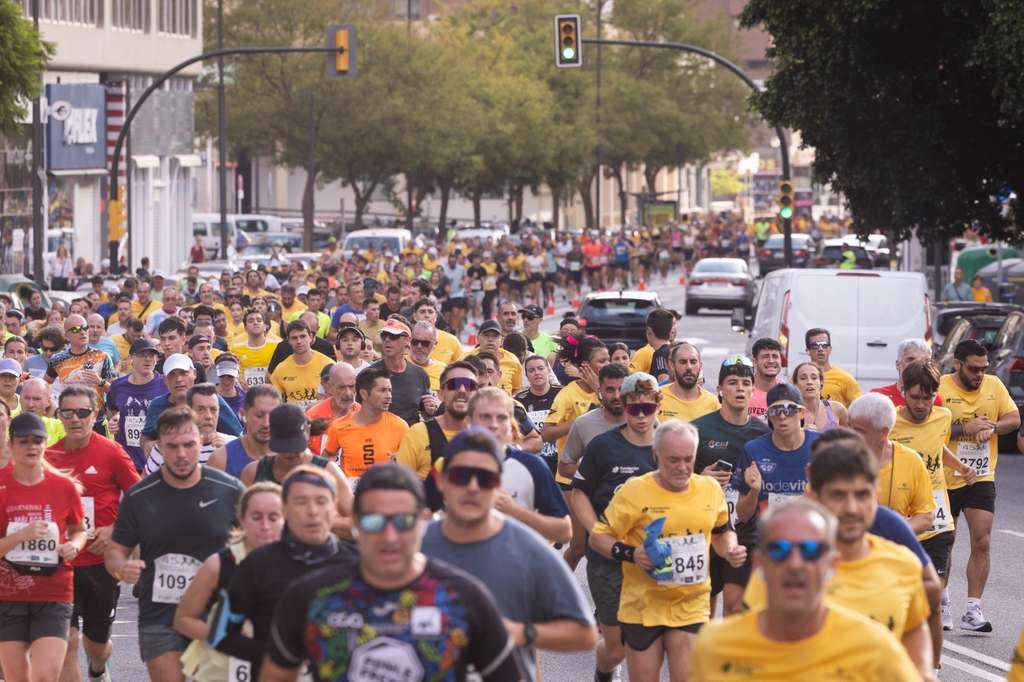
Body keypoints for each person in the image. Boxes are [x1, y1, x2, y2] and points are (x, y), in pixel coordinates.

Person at [261, 464, 523, 681]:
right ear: (355, 523)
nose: (389, 536)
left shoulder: (464, 598)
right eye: (374, 521)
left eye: (403, 521)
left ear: (422, 520)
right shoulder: (311, 597)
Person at [741, 435, 935, 678]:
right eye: (838, 495)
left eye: (862, 495)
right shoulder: (787, 567)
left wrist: (923, 671)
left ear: (876, 493)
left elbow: (914, 628)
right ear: (814, 497)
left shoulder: (903, 564)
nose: (852, 508)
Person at [422, 430, 596, 677]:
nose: (472, 487)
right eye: (461, 476)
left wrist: (520, 633)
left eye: (485, 478)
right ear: (441, 481)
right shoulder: (415, 545)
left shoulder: (527, 547)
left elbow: (584, 633)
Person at [690, 498, 919, 680]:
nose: (795, 564)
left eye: (810, 551)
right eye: (780, 550)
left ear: (832, 564)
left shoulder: (874, 647)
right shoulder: (715, 646)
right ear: (759, 562)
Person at [590, 419, 745, 682]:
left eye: (688, 459)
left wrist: (730, 548)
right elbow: (598, 538)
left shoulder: (709, 490)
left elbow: (722, 531)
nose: (682, 468)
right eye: (673, 460)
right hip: (643, 605)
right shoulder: (634, 491)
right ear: (656, 455)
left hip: (691, 603)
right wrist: (632, 554)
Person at [105, 406, 244, 682]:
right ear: (159, 447)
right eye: (172, 446)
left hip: (217, 614)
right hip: (161, 614)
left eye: (189, 445)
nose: (181, 454)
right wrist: (122, 568)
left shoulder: (229, 490)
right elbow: (115, 552)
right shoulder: (139, 497)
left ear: (200, 440)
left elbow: (254, 545)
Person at [569, 372, 661, 681]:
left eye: (647, 407)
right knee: (617, 646)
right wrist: (595, 529)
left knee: (649, 642)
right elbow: (579, 490)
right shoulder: (603, 446)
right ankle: (604, 671)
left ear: (658, 406)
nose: (640, 415)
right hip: (609, 559)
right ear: (623, 405)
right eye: (633, 407)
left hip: (654, 557)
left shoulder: (670, 446)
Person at [47, 385, 140, 682]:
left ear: (95, 414)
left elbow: (140, 499)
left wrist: (114, 530)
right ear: (59, 415)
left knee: (96, 646)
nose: (75, 419)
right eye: (68, 412)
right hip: (64, 566)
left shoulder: (111, 452)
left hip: (102, 565)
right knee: (68, 641)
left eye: (83, 412)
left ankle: (98, 669)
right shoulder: (49, 458)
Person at [0, 413, 87, 682]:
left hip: (54, 592)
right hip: (8, 595)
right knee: (17, 678)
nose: (31, 447)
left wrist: (74, 545)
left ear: (45, 443)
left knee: (45, 677)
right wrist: (21, 535)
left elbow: (79, 530)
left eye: (37, 440)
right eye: (24, 441)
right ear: (11, 445)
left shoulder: (63, 487)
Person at [941, 338, 1019, 632]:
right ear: (957, 365)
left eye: (983, 369)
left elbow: (1013, 417)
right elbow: (925, 425)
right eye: (973, 369)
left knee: (983, 540)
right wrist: (965, 429)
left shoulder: (994, 386)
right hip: (946, 476)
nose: (979, 375)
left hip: (981, 475)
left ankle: (973, 610)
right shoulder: (941, 387)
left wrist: (993, 427)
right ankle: (943, 602)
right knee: (946, 541)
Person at [174, 483, 284, 682]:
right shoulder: (218, 565)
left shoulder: (298, 563)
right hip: (221, 671)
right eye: (256, 517)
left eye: (273, 517)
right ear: (242, 519)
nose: (265, 526)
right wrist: (224, 635)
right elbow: (182, 620)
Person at [691, 355, 770, 615]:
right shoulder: (698, 429)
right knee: (705, 604)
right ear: (720, 390)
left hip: (745, 529)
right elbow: (674, 479)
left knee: (736, 607)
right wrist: (701, 477)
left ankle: (727, 655)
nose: (739, 388)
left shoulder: (763, 434)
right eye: (732, 382)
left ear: (753, 389)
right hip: (706, 528)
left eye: (746, 383)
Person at [468, 387, 570, 543]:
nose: (494, 425)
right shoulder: (448, 464)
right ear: (469, 421)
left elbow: (564, 532)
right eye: (485, 417)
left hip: (519, 564)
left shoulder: (532, 465)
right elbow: (425, 517)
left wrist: (515, 511)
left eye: (501, 418)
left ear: (512, 425)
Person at [393, 361, 479, 511]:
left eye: (470, 385)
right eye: (454, 384)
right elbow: (399, 486)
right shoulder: (419, 433)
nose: (463, 390)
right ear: (441, 394)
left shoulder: (485, 436)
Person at [734, 383, 819, 528]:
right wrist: (754, 491)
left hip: (811, 532)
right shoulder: (753, 450)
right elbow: (743, 516)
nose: (782, 416)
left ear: (802, 413)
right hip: (766, 535)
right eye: (775, 410)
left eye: (789, 409)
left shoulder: (821, 446)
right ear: (768, 416)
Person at [140, 353, 242, 458]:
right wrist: (147, 444)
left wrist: (227, 442)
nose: (178, 379)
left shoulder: (211, 399)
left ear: (194, 374)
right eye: (172, 374)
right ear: (165, 379)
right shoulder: (157, 405)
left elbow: (239, 436)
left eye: (183, 373)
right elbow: (146, 435)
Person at [323, 366, 409, 481]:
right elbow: (326, 456)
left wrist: (400, 462)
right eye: (382, 390)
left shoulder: (400, 426)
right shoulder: (338, 427)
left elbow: (411, 466)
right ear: (364, 394)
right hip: (353, 496)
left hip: (387, 493)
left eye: (389, 390)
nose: (389, 396)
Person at [558, 362, 628, 482]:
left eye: (621, 389)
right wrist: (596, 475)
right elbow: (564, 467)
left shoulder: (644, 421)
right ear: (600, 390)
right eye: (610, 390)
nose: (617, 396)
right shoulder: (584, 423)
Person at [144, 383, 236, 474]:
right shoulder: (167, 446)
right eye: (201, 409)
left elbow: (243, 486)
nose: (208, 416)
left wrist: (228, 459)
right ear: (189, 410)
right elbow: (144, 485)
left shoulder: (233, 446)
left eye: (213, 409)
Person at [207, 385, 281, 479]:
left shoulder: (292, 456)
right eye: (259, 415)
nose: (266, 423)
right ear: (243, 414)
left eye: (273, 416)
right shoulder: (221, 459)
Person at [369, 319, 432, 425]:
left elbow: (425, 412)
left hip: (410, 437)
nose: (387, 340)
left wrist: (430, 410)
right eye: (384, 335)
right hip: (379, 436)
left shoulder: (420, 375)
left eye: (393, 336)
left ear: (407, 340)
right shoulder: (369, 374)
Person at [269, 320, 334, 411]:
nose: (299, 341)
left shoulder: (328, 364)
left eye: (303, 336)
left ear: (311, 337)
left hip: (322, 419)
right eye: (294, 338)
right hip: (293, 421)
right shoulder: (281, 368)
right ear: (289, 341)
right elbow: (273, 401)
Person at [515, 354, 562, 475]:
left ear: (548, 370)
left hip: (561, 460)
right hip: (533, 462)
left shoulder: (563, 394)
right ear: (526, 376)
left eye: (540, 368)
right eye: (531, 370)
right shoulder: (518, 400)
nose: (537, 373)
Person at [305, 362, 359, 455]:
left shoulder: (364, 414)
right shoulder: (313, 416)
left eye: (351, 386)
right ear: (330, 387)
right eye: (342, 387)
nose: (348, 393)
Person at [657, 342, 720, 422]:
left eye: (693, 362)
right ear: (672, 366)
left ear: (700, 366)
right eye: (683, 362)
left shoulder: (713, 404)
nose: (689, 367)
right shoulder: (657, 398)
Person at [872, 338, 944, 407]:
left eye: (923, 361)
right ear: (898, 365)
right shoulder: (878, 396)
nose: (916, 364)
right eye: (911, 360)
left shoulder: (935, 400)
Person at [805, 327, 862, 407]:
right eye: (815, 346)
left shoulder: (845, 379)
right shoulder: (797, 379)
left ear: (830, 349)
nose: (820, 349)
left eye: (824, 345)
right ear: (807, 350)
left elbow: (861, 408)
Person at [466, 319, 523, 394]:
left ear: (501, 340)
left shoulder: (513, 360)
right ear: (478, 338)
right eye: (486, 335)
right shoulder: (466, 359)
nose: (490, 339)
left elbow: (517, 389)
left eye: (495, 336)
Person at [791, 361, 848, 432]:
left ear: (821, 382)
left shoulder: (838, 409)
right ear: (796, 384)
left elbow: (851, 440)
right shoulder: (790, 413)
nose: (809, 382)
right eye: (803, 378)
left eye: (814, 378)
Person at [228, 309, 277, 388]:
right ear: (245, 328)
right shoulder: (235, 350)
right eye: (251, 321)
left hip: (272, 393)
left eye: (259, 320)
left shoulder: (276, 346)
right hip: (246, 394)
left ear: (265, 326)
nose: (255, 323)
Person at [408, 320, 446, 390]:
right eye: (415, 342)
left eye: (425, 343)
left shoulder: (444, 371)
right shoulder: (399, 363)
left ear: (435, 344)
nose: (419, 346)